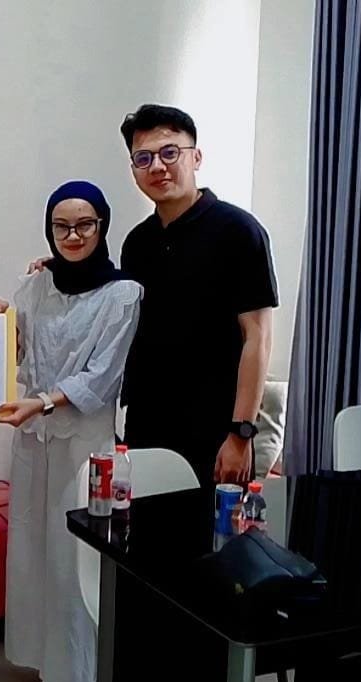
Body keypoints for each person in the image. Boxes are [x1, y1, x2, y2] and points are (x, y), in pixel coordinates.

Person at [0, 181, 142, 682]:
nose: (72, 236)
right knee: (35, 554)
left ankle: (82, 681)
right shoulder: (34, 286)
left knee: (77, 561)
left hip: (84, 446)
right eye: (61, 226)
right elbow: (19, 352)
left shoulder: (123, 294)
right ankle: (50, 670)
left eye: (84, 225)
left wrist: (43, 401)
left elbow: (102, 377)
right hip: (34, 441)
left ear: (102, 226)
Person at [118, 104, 278, 486]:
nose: (157, 166)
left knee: (212, 526)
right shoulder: (137, 244)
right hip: (147, 426)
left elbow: (257, 337)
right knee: (144, 524)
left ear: (196, 157)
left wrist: (241, 433)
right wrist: (54, 269)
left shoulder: (239, 231)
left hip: (216, 431)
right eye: (144, 158)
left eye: (170, 152)